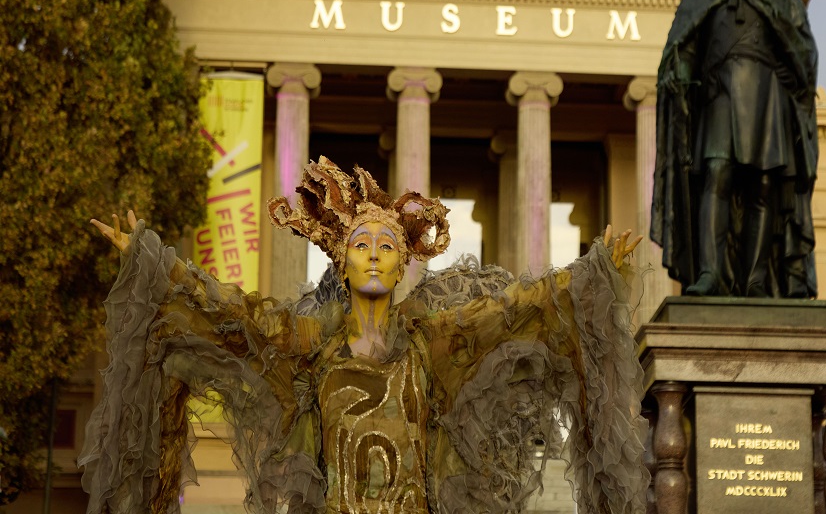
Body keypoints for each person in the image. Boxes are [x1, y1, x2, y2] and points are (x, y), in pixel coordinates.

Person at [81, 159, 648, 514]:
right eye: (360, 245)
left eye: (386, 247)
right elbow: (235, 319)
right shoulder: (308, 345)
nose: (374, 255)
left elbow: (514, 313)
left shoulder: (434, 343)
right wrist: (159, 268)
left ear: (403, 266)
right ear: (343, 263)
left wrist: (591, 276)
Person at [650, 0, 818, 299]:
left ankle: (756, 279)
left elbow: (804, 57)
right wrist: (680, 73)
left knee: (763, 185)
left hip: (766, 98)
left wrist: (791, 76)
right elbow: (683, 48)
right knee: (717, 174)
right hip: (720, 95)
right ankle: (709, 273)